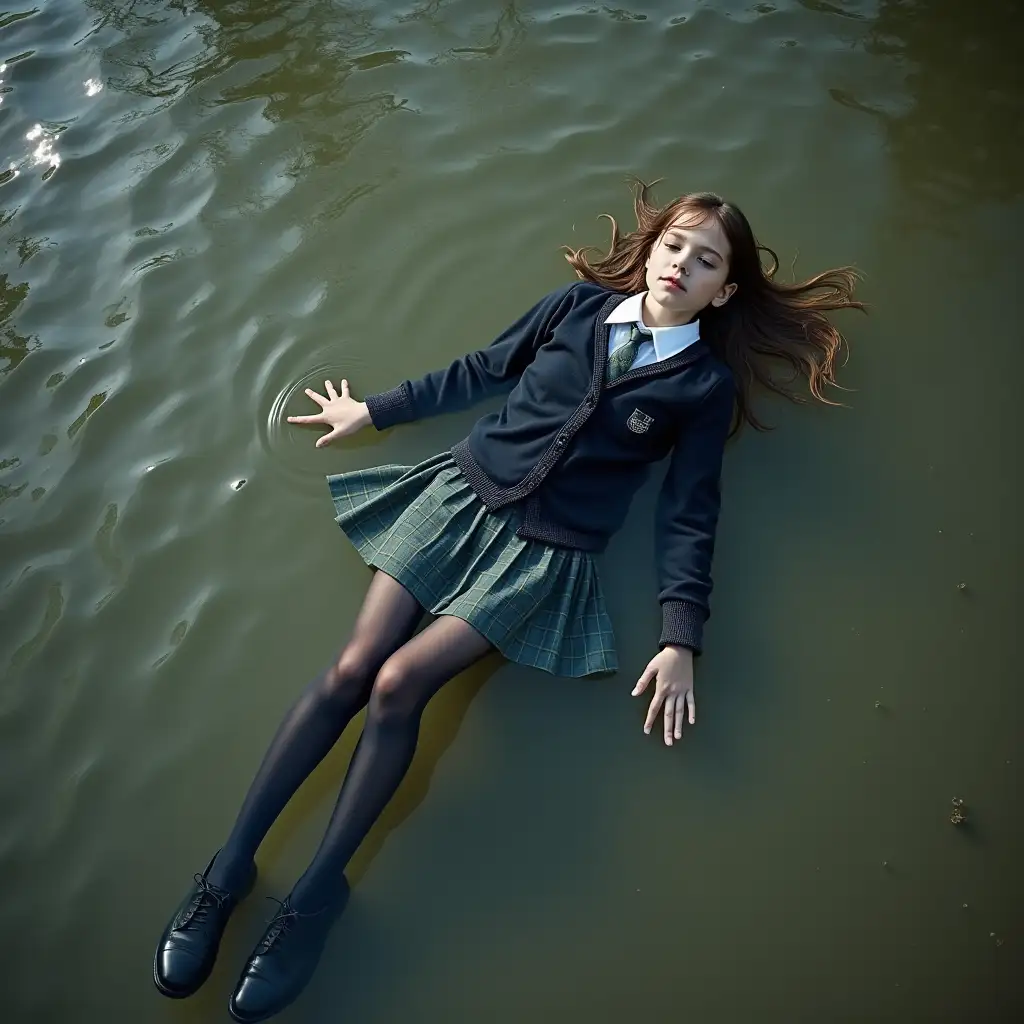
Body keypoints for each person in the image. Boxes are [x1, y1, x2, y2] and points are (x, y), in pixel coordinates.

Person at [152, 183, 861, 1022]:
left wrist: (681, 635)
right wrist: (373, 410)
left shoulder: (700, 388)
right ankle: (228, 872)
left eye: (708, 260)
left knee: (396, 686)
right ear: (653, 248)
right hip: (459, 493)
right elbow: (485, 370)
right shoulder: (576, 307)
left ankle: (314, 895)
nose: (683, 265)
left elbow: (690, 511)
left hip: (546, 555)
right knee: (351, 668)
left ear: (726, 291)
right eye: (677, 244)